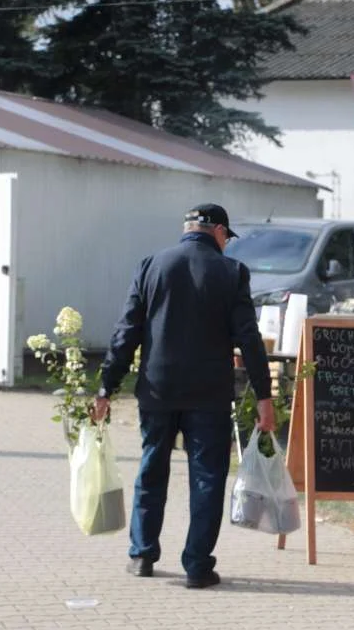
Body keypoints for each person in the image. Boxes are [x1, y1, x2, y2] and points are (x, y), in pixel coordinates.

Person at [91, 203, 275, 589]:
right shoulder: (231, 272)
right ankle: (197, 566)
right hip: (208, 393)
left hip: (157, 390)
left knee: (151, 469)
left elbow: (126, 331)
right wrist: (264, 395)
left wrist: (107, 386)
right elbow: (249, 338)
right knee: (207, 477)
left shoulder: (151, 265)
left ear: (187, 228)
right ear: (220, 232)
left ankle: (142, 555)